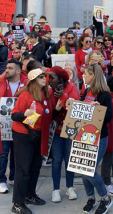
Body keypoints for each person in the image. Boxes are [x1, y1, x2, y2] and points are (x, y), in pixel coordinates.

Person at [11, 68, 53, 214]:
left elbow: (48, 114)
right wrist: (24, 113)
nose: (44, 79)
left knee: (35, 167)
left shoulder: (44, 93)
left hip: (37, 135)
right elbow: (14, 115)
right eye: (41, 77)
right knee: (23, 170)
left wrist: (58, 109)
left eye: (44, 76)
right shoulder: (25, 94)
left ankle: (29, 195)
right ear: (34, 80)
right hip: (23, 135)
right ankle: (17, 203)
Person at [80, 64, 113, 214]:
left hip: (99, 137)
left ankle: (105, 198)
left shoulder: (104, 94)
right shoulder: (87, 90)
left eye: (85, 74)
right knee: (81, 167)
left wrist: (99, 108)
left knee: (89, 170)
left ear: (93, 76)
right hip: (84, 135)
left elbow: (108, 117)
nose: (83, 76)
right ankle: (91, 198)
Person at [48, 66, 79, 203]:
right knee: (56, 160)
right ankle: (56, 189)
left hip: (70, 130)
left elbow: (75, 109)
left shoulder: (72, 88)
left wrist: (63, 96)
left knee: (69, 159)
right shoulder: (50, 90)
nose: (49, 80)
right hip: (56, 131)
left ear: (61, 79)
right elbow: (50, 111)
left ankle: (70, 187)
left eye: (52, 78)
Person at [0, 59, 28, 194]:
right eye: (6, 67)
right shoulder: (0, 82)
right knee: (3, 152)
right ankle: (1, 180)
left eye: (10, 68)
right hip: (3, 125)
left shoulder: (27, 83)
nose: (7, 70)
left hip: (18, 124)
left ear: (18, 70)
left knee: (16, 153)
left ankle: (13, 177)